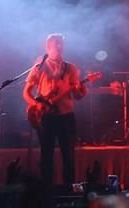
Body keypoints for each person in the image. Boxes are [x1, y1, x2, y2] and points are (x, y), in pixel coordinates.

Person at [22, 34, 88, 189]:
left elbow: (77, 95)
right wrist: (36, 104)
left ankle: (69, 190)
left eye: (61, 44)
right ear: (47, 47)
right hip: (46, 116)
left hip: (66, 116)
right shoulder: (39, 67)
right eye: (56, 43)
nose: (59, 46)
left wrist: (81, 90)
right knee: (46, 155)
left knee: (68, 155)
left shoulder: (71, 68)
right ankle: (46, 191)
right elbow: (26, 92)